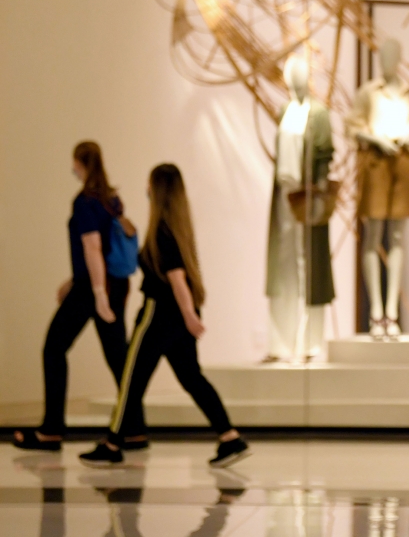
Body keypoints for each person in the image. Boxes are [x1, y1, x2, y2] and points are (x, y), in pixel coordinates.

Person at [79, 164, 250, 468]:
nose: (145, 188)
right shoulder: (178, 228)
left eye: (148, 183)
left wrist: (188, 315)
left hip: (159, 314)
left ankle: (112, 444)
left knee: (132, 379)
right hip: (177, 316)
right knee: (191, 377)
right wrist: (188, 314)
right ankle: (229, 437)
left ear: (156, 190)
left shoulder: (162, 230)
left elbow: (176, 277)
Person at [14, 141, 147, 452]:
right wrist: (75, 281)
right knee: (118, 357)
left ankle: (51, 430)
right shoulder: (111, 199)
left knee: (54, 347)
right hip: (113, 284)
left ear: (79, 162)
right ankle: (135, 429)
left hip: (95, 288)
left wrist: (96, 292)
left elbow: (92, 248)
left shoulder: (85, 202)